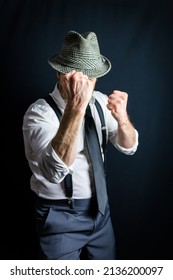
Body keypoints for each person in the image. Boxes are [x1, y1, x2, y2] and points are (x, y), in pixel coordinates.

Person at [22, 30, 139, 260]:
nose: (84, 84)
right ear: (59, 72)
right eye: (76, 75)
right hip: (59, 217)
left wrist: (123, 119)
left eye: (90, 77)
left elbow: (130, 146)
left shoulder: (101, 102)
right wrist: (76, 108)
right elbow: (54, 172)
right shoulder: (39, 114)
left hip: (101, 213)